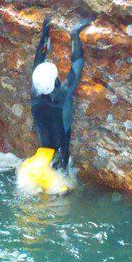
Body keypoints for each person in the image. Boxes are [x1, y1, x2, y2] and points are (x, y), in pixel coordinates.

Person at [30, 17, 91, 171]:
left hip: (45, 148)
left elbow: (38, 60)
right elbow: (77, 64)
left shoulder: (35, 93)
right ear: (54, 78)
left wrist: (45, 34)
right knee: (62, 153)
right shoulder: (63, 95)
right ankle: (62, 166)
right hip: (61, 155)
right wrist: (75, 34)